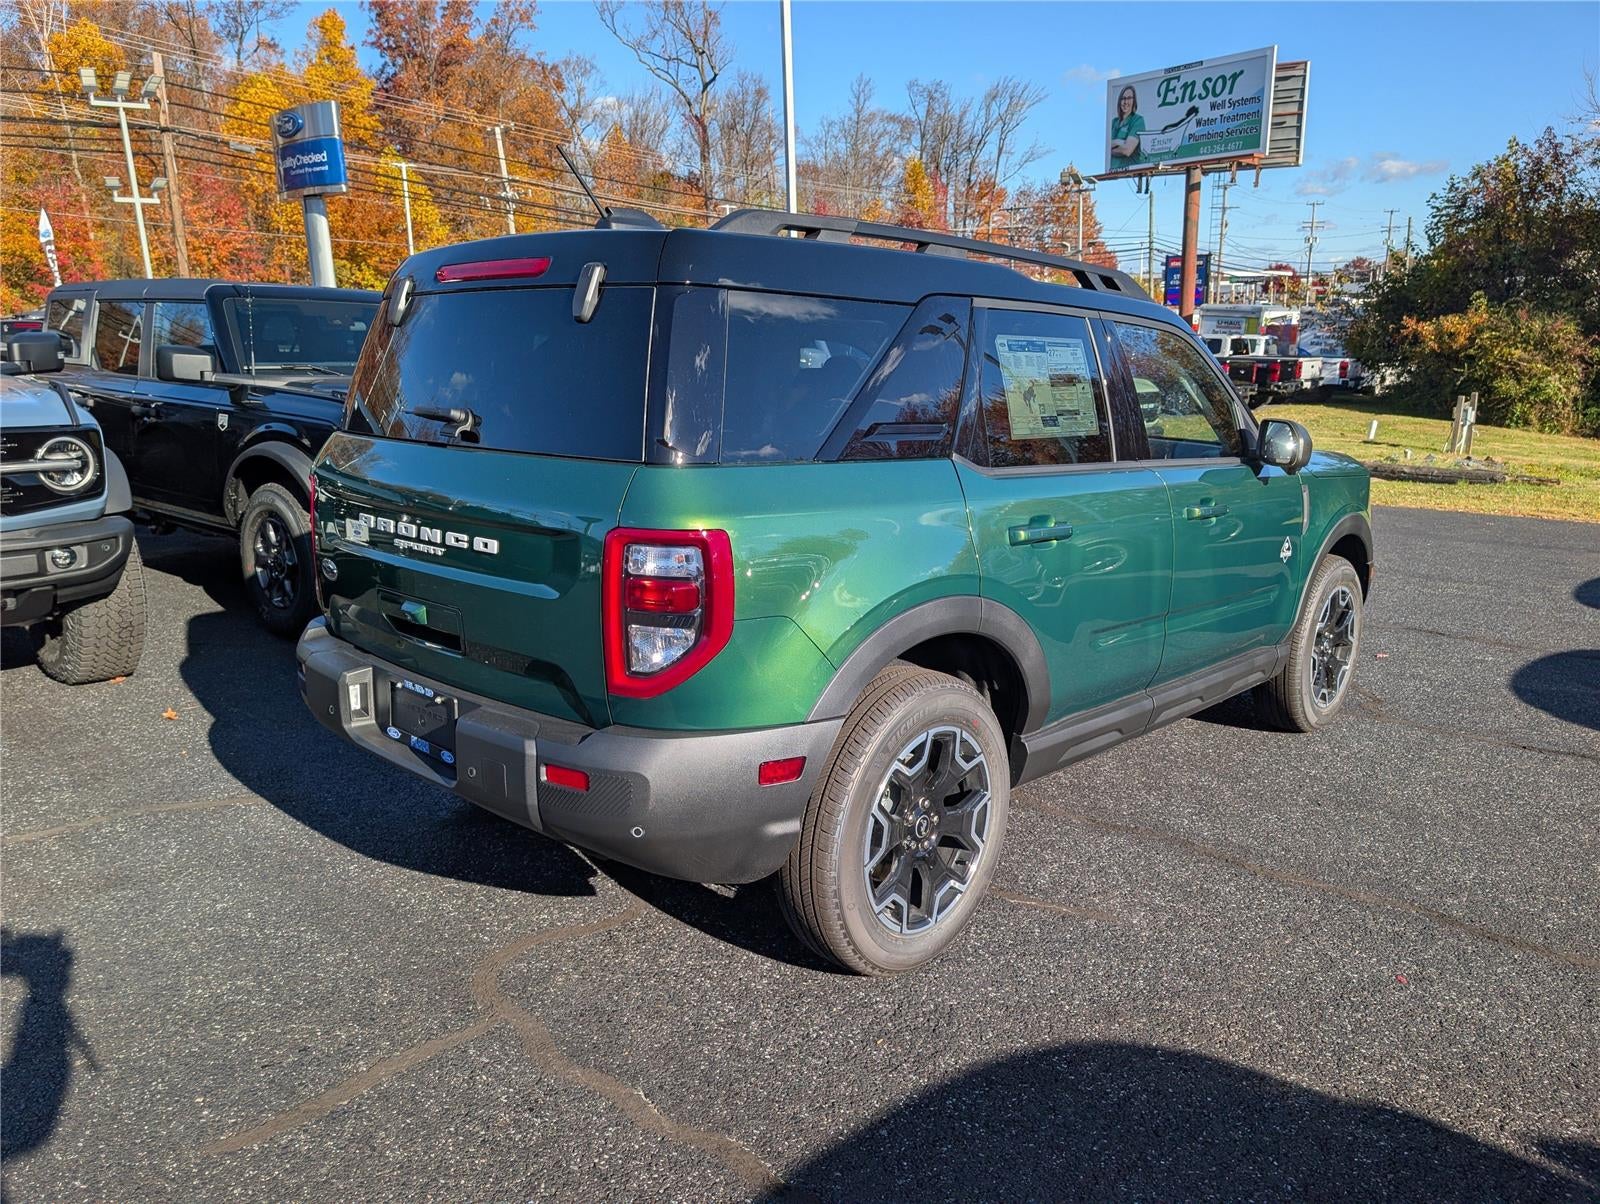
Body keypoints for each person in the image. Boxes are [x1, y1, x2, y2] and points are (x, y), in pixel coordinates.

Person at [1110, 84, 1144, 167]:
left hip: (1131, 169)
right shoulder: (1113, 122)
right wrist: (1118, 142)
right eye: (1123, 98)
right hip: (1112, 170)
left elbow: (1127, 150)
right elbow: (1104, 147)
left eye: (1129, 98)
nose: (1125, 102)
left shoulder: (1137, 120)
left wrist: (1110, 146)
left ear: (1134, 100)